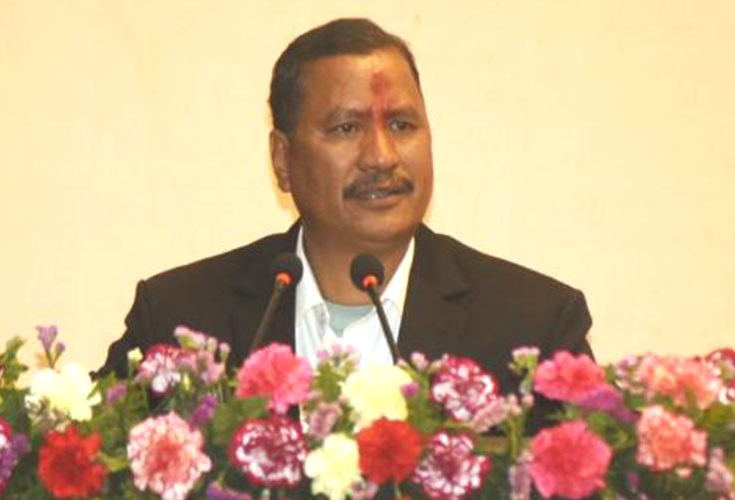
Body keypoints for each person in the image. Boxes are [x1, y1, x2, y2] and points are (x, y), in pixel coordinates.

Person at [94, 18, 593, 401]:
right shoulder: (179, 321)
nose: (382, 157)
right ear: (282, 160)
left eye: (401, 125)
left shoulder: (534, 327)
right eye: (346, 128)